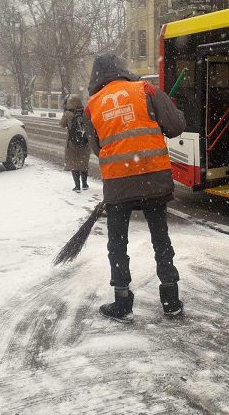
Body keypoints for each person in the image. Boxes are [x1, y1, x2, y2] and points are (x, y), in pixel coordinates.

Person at [84, 53, 186, 323]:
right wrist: (171, 111)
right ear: (122, 68)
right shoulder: (147, 90)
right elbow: (175, 126)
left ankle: (122, 301)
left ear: (96, 76)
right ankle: (170, 299)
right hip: (153, 178)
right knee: (160, 239)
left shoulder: (92, 105)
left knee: (117, 244)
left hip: (118, 185)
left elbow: (97, 148)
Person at [60, 94, 91, 192]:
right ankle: (85, 184)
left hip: (72, 143)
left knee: (74, 164)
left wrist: (66, 113)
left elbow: (61, 125)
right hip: (85, 142)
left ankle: (77, 186)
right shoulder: (85, 112)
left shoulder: (68, 114)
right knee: (83, 163)